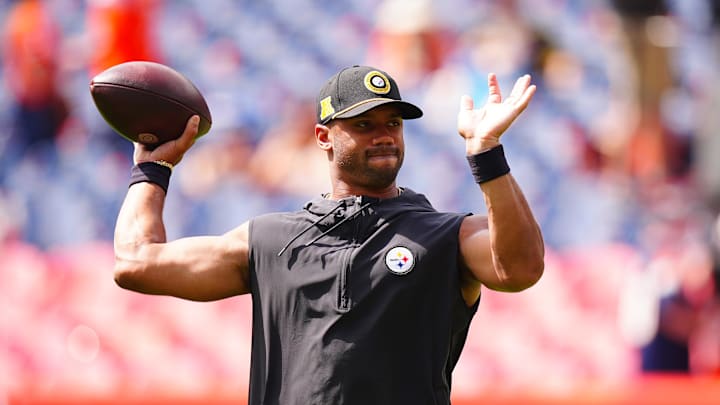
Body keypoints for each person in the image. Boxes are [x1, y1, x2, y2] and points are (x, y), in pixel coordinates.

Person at [113, 65, 544, 404]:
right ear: (323, 136)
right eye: (363, 125)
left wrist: (486, 154)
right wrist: (153, 168)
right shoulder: (270, 240)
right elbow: (135, 263)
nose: (383, 136)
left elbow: (520, 269)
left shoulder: (442, 234)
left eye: (392, 123)